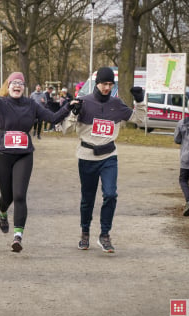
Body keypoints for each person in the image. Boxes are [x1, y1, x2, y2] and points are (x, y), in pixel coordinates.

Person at [0, 64, 76, 252]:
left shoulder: (32, 105)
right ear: (8, 86)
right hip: (2, 154)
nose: (17, 86)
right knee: (7, 197)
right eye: (13, 83)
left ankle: (18, 236)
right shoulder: (0, 102)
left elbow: (53, 118)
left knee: (19, 195)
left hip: (24, 155)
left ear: (24, 87)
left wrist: (69, 106)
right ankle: (2, 212)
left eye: (20, 83)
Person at [61, 67, 147, 253]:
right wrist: (74, 113)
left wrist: (140, 100)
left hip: (109, 156)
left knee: (110, 194)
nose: (107, 87)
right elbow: (65, 129)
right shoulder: (83, 102)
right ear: (96, 83)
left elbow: (139, 119)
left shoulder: (116, 104)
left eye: (110, 84)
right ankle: (85, 233)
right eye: (104, 83)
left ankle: (105, 235)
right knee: (88, 199)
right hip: (87, 156)